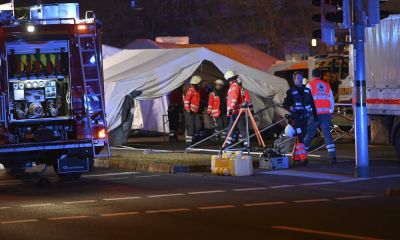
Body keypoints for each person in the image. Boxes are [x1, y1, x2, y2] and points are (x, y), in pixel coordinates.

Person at [283, 71, 318, 166]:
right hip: (296, 118)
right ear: (294, 80)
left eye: (300, 78)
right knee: (300, 137)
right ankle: (304, 158)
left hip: (305, 118)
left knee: (300, 137)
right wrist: (290, 108)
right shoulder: (290, 91)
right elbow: (285, 104)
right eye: (297, 78)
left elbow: (313, 104)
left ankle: (296, 158)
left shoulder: (307, 90)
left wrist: (315, 116)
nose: (299, 80)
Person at [305, 69, 337, 164]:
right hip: (326, 114)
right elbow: (331, 100)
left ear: (312, 75)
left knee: (309, 135)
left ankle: (302, 155)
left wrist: (308, 112)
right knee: (327, 135)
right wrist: (330, 111)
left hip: (314, 114)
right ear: (321, 75)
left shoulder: (310, 85)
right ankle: (333, 157)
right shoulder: (327, 85)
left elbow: (307, 100)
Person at [225, 70, 251, 147]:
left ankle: (227, 144)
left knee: (234, 128)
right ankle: (246, 144)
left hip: (236, 111)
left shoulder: (233, 86)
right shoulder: (239, 86)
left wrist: (231, 109)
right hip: (239, 111)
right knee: (239, 128)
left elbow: (233, 98)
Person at [184, 75, 202, 146]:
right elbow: (186, 101)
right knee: (191, 127)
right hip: (190, 112)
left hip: (195, 112)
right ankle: (189, 143)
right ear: (196, 83)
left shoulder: (196, 91)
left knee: (198, 126)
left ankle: (192, 139)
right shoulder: (190, 90)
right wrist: (188, 110)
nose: (200, 84)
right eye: (199, 83)